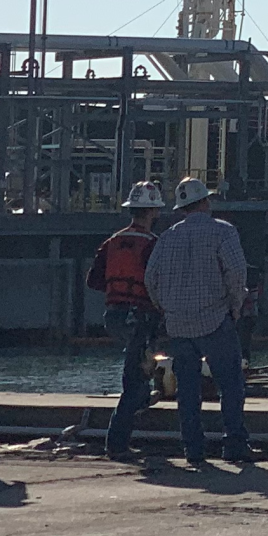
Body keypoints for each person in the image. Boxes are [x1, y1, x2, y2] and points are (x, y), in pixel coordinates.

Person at [144, 177, 255, 464]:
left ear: (181, 208)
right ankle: (234, 445)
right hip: (215, 318)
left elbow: (150, 278)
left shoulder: (167, 237)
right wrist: (235, 305)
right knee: (230, 385)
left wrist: (166, 308)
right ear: (206, 201)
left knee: (187, 390)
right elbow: (236, 273)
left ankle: (193, 449)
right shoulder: (224, 231)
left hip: (178, 325)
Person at [87, 181, 166, 462]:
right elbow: (158, 282)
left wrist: (116, 288)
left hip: (114, 315)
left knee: (136, 369)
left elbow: (93, 280)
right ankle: (117, 442)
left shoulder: (113, 241)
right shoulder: (152, 243)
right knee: (135, 379)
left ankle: (142, 399)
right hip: (140, 316)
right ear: (153, 211)